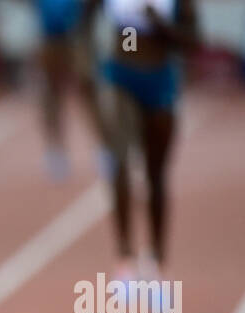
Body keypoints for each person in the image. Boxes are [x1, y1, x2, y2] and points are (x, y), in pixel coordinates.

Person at [85, 0, 198, 287]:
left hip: (160, 80)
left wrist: (160, 26)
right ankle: (124, 259)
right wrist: (88, 62)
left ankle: (158, 261)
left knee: (156, 174)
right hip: (120, 77)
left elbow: (193, 40)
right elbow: (84, 20)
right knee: (120, 163)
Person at [36, 0, 103, 180]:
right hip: (49, 39)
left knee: (88, 92)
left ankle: (102, 149)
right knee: (51, 96)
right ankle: (56, 151)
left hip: (77, 38)